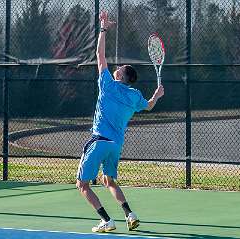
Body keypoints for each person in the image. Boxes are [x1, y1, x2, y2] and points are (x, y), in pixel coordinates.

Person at [76, 10, 164, 233]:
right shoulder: (135, 96)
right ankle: (130, 214)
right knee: (109, 181)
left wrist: (103, 28)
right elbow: (150, 105)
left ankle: (107, 220)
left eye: (119, 69)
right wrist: (157, 95)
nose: (116, 69)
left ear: (122, 77)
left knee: (82, 185)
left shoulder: (108, 84)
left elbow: (99, 54)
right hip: (115, 145)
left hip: (99, 141)